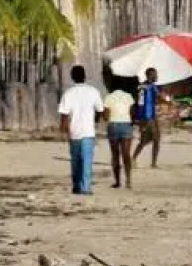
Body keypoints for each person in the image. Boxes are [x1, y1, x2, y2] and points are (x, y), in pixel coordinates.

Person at [58, 65, 104, 195]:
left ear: (72, 77)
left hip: (74, 131)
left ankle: (76, 185)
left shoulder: (68, 93)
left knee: (75, 161)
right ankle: (85, 187)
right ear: (85, 76)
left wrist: (63, 130)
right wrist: (95, 120)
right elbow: (100, 110)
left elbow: (64, 115)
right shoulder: (93, 91)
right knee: (87, 161)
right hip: (88, 131)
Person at [104, 79, 137, 189]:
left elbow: (106, 115)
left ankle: (117, 181)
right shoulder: (128, 96)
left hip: (113, 125)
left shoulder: (109, 97)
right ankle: (128, 180)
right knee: (126, 154)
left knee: (115, 154)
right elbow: (132, 112)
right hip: (126, 125)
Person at [132, 69, 165, 169]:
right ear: (150, 75)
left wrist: (162, 99)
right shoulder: (142, 87)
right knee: (148, 139)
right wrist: (141, 120)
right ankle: (133, 159)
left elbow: (156, 99)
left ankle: (153, 163)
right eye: (155, 74)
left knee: (155, 139)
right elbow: (140, 103)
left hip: (153, 116)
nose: (157, 76)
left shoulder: (153, 87)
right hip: (146, 117)